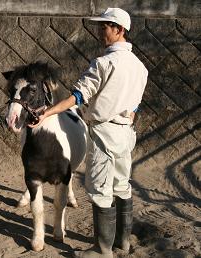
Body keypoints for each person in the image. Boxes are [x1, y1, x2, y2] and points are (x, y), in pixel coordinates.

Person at [30, 8, 148, 258]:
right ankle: (122, 243)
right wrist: (129, 115)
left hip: (104, 131)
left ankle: (102, 249)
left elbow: (78, 97)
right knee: (122, 186)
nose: (99, 31)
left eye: (104, 27)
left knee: (100, 190)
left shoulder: (104, 63)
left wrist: (47, 113)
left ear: (120, 30)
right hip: (126, 131)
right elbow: (136, 102)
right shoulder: (140, 67)